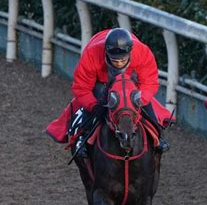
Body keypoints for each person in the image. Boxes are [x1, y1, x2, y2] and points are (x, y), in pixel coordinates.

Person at [71, 27, 170, 158]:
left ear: (130, 53)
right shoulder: (92, 54)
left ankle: (158, 137)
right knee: (93, 103)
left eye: (122, 60)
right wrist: (94, 107)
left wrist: (138, 102)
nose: (119, 63)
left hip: (131, 84)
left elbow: (149, 83)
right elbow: (82, 88)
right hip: (103, 83)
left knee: (145, 105)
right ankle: (82, 139)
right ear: (106, 53)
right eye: (115, 60)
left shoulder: (142, 53)